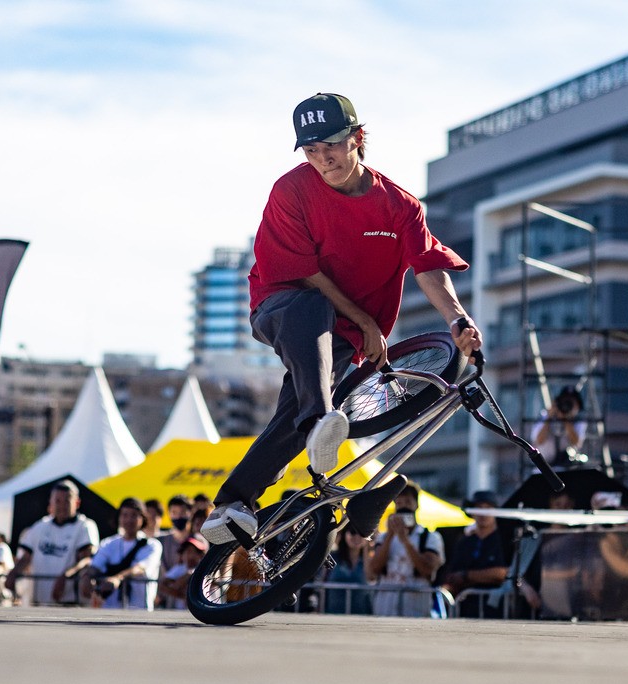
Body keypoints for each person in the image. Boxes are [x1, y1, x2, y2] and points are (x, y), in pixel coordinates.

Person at [201, 92, 480, 547]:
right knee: (314, 338)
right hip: (283, 304)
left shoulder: (400, 206)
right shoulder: (292, 190)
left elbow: (427, 266)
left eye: (330, 146)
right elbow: (305, 275)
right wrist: (368, 324)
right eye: (310, 151)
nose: (321, 159)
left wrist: (457, 319)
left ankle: (233, 503)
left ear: (357, 138)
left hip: (345, 333)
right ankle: (320, 420)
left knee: (295, 413)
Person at [6, 480, 99, 606]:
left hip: (69, 602)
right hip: (38, 601)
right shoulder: (39, 527)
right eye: (57, 501)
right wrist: (13, 574)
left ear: (77, 503)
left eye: (67, 501)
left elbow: (87, 559)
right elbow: (26, 558)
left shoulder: (85, 526)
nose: (62, 506)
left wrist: (66, 575)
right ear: (50, 502)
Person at [366, 481, 445, 617]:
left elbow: (428, 569)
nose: (403, 507)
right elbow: (373, 569)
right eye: (399, 503)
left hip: (416, 611)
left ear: (416, 505)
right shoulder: (385, 537)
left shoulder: (430, 537)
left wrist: (405, 541)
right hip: (385, 610)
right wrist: (391, 535)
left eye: (408, 502)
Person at [82, 497, 162, 611]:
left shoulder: (152, 545)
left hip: (139, 609)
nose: (129, 520)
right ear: (119, 517)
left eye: (134, 515)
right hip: (109, 609)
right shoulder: (108, 543)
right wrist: (87, 577)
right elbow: (96, 565)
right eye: (125, 515)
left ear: (142, 518)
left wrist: (117, 578)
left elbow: (140, 567)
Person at [443, 490, 509, 618]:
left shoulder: (504, 540)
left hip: (496, 610)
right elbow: (452, 575)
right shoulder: (464, 542)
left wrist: (466, 576)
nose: (483, 513)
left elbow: (503, 573)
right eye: (479, 508)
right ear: (472, 512)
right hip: (465, 610)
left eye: (488, 508)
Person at [530, 386, 587, 467]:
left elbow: (576, 442)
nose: (567, 406)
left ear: (578, 407)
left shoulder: (579, 421)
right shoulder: (545, 416)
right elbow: (538, 441)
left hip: (567, 468)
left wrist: (565, 419)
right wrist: (549, 418)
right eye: (565, 401)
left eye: (571, 403)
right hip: (544, 467)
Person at [322, 524, 373, 615]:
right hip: (333, 613)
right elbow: (322, 583)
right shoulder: (332, 557)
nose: (357, 537)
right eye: (352, 532)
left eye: (362, 534)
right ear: (345, 534)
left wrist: (366, 547)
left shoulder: (367, 559)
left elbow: (370, 577)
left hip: (362, 614)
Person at [157, 534, 207, 611]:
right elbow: (162, 585)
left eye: (194, 551)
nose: (189, 556)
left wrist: (189, 576)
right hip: (181, 612)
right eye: (186, 551)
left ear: (202, 554)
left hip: (205, 610)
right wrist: (181, 594)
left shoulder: (208, 568)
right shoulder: (180, 568)